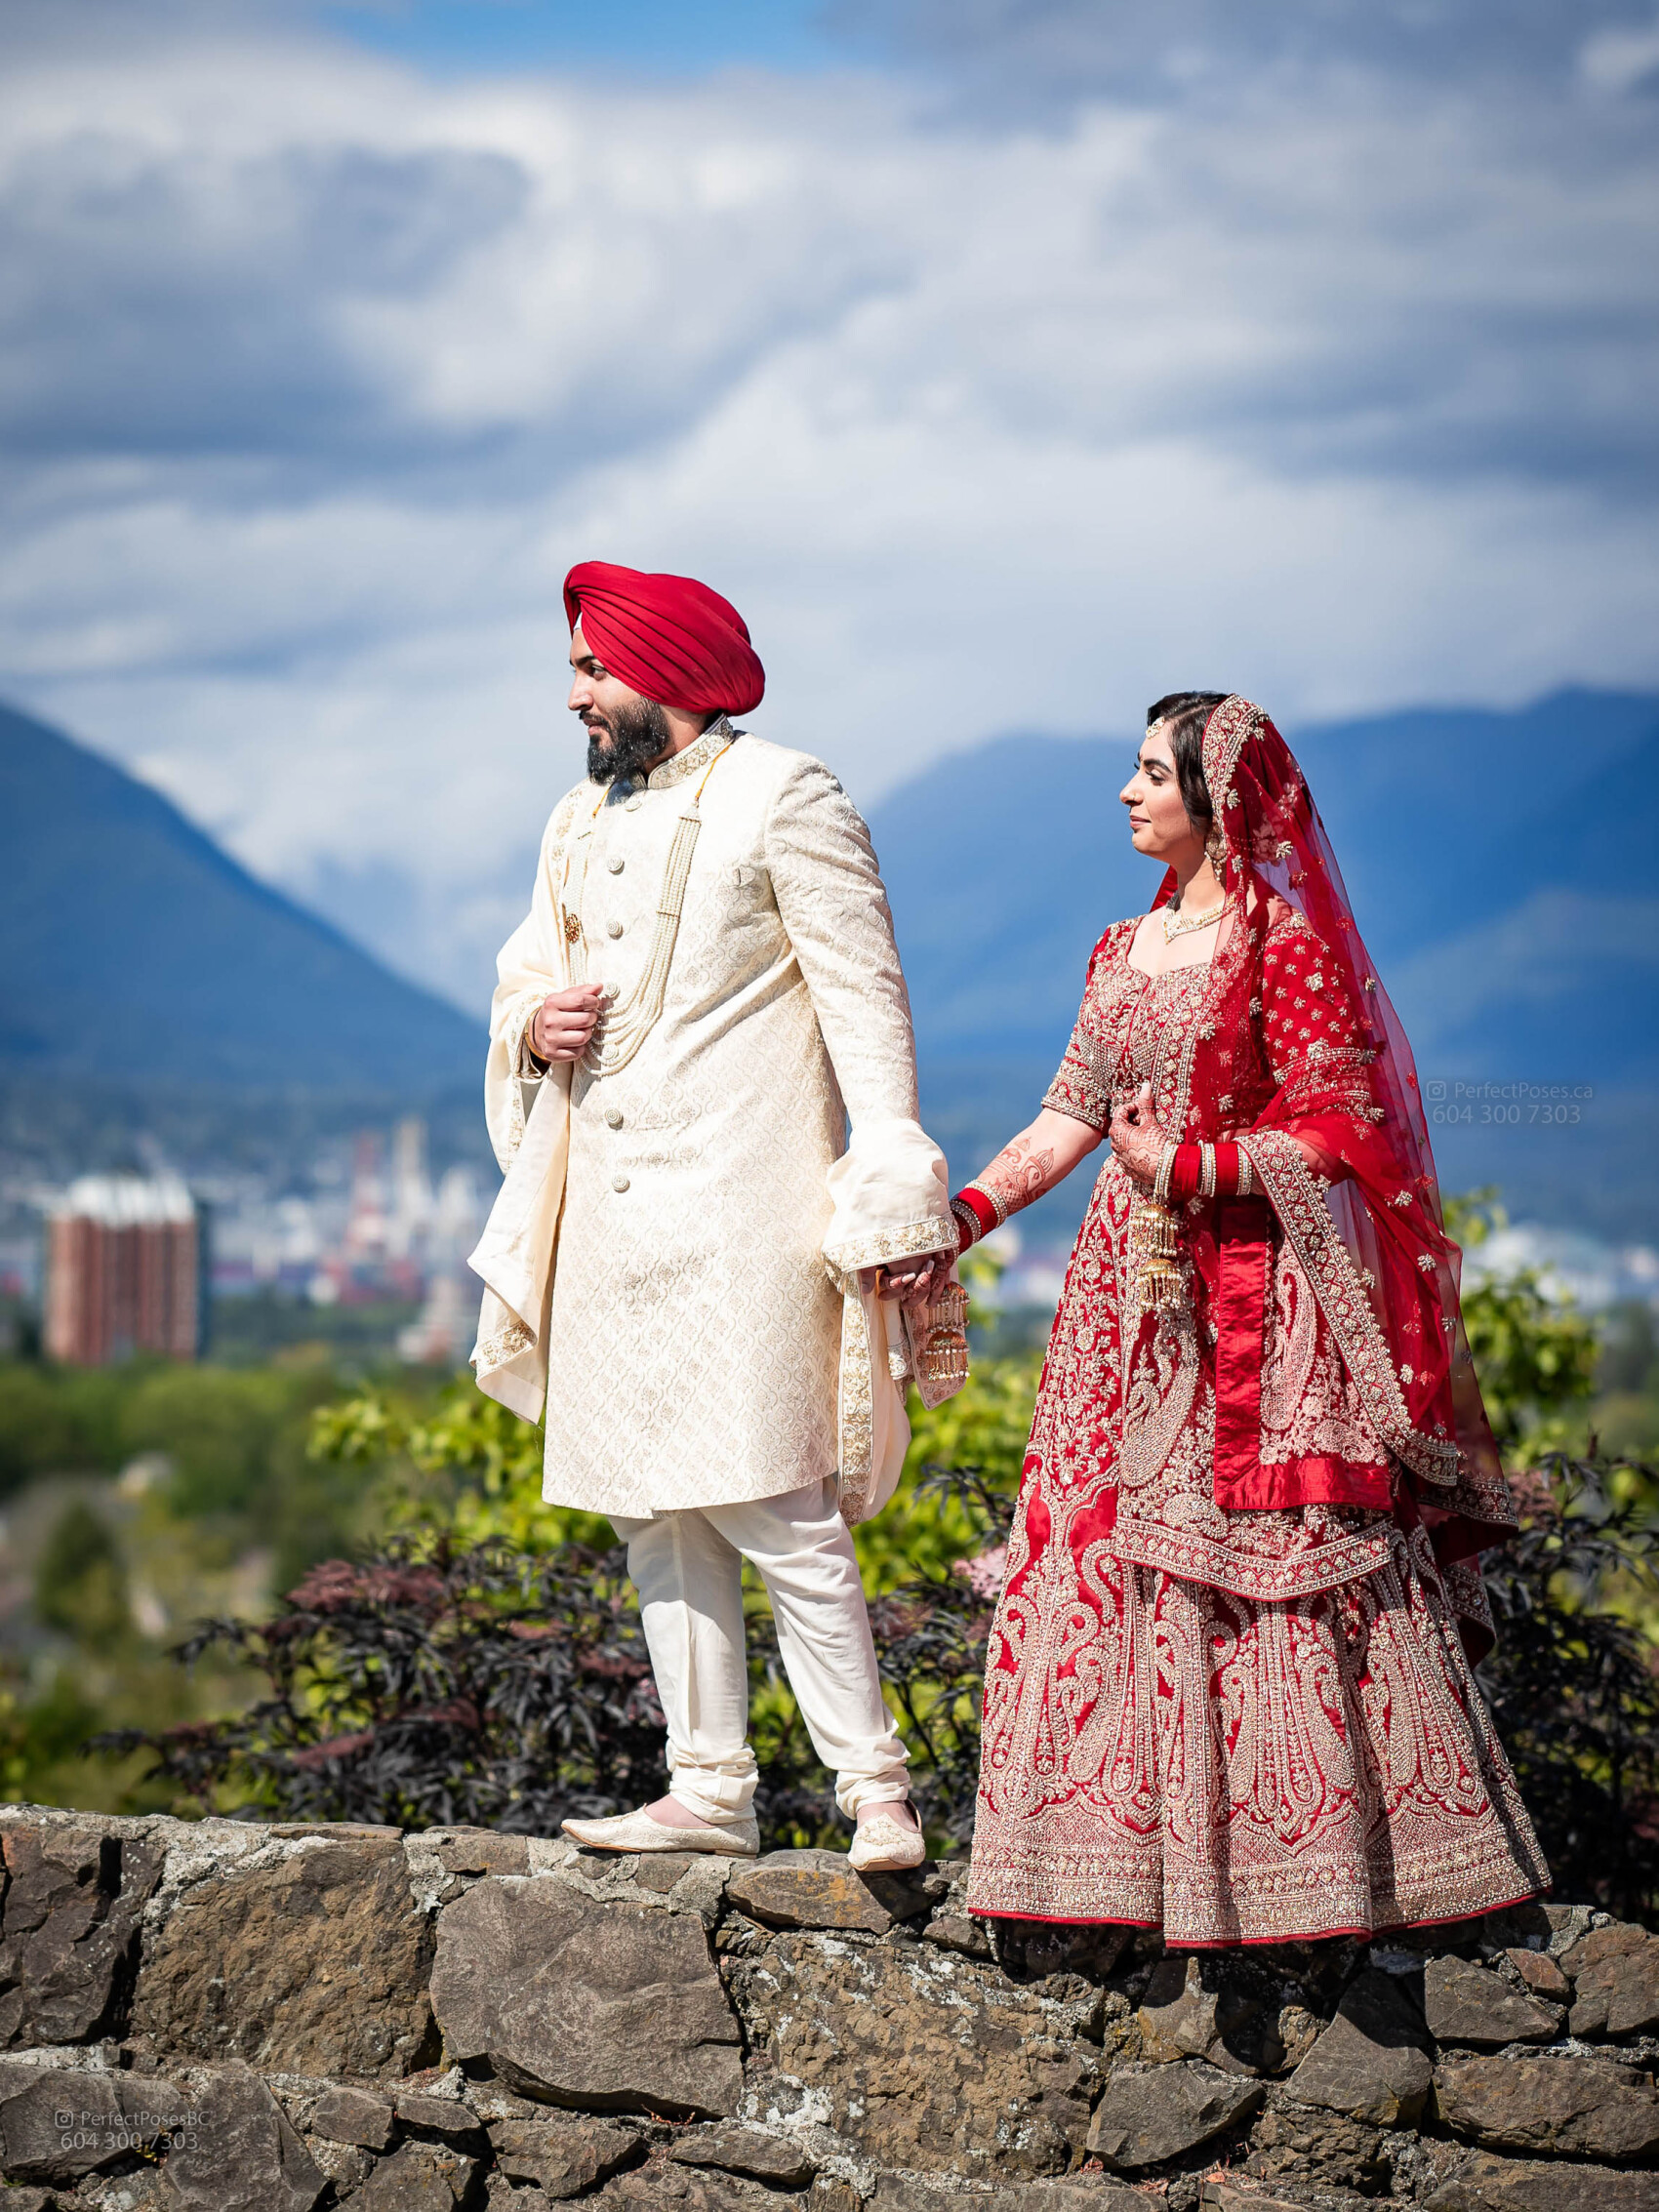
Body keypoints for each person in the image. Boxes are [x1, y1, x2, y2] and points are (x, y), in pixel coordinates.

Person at [951, 692, 1548, 1944]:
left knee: (1275, 1566)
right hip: (1121, 1302)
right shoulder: (1118, 947)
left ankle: (1321, 1870)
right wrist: (960, 1219)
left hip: (1252, 1301)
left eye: (1150, 772)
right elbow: (1069, 1113)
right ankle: (1106, 1870)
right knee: (1094, 1549)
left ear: (1212, 798)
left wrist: (1193, 1165)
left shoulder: (1282, 942)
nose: (1127, 791)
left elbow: (1343, 1126)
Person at [468, 560, 963, 1872]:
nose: (573, 696)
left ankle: (876, 1791)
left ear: (662, 670)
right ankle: (708, 1788)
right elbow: (526, 973)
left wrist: (893, 1168)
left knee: (776, 1501)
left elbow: (863, 996)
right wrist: (532, 1021)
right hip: (605, 1219)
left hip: (747, 1209)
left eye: (591, 669)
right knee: (650, 1508)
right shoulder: (574, 818)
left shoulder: (787, 793)